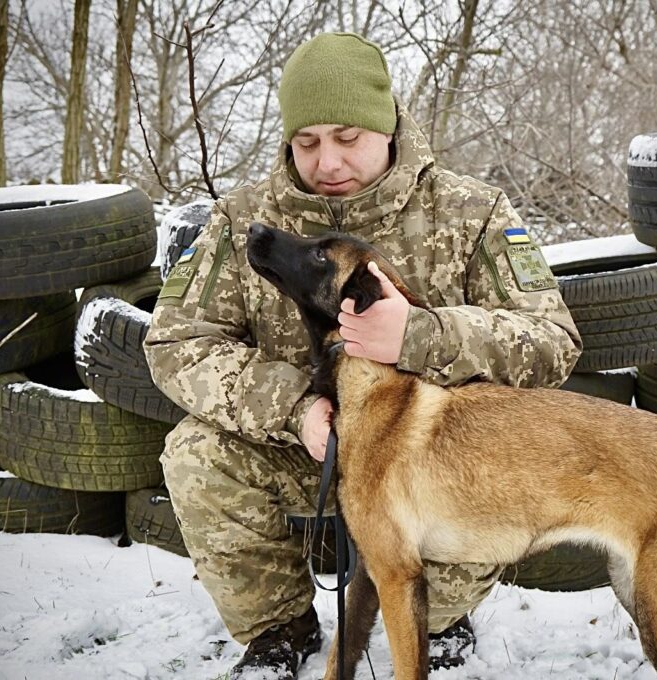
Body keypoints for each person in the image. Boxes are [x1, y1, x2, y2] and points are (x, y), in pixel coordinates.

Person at [144, 32, 582, 679]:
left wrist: (422, 335)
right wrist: (295, 408)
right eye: (307, 141)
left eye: (348, 137)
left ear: (386, 123)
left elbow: (552, 340)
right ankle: (279, 632)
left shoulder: (471, 211)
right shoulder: (241, 221)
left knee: (476, 494)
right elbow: (176, 342)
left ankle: (437, 621)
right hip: (304, 451)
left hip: (433, 466)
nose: (327, 161)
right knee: (196, 454)